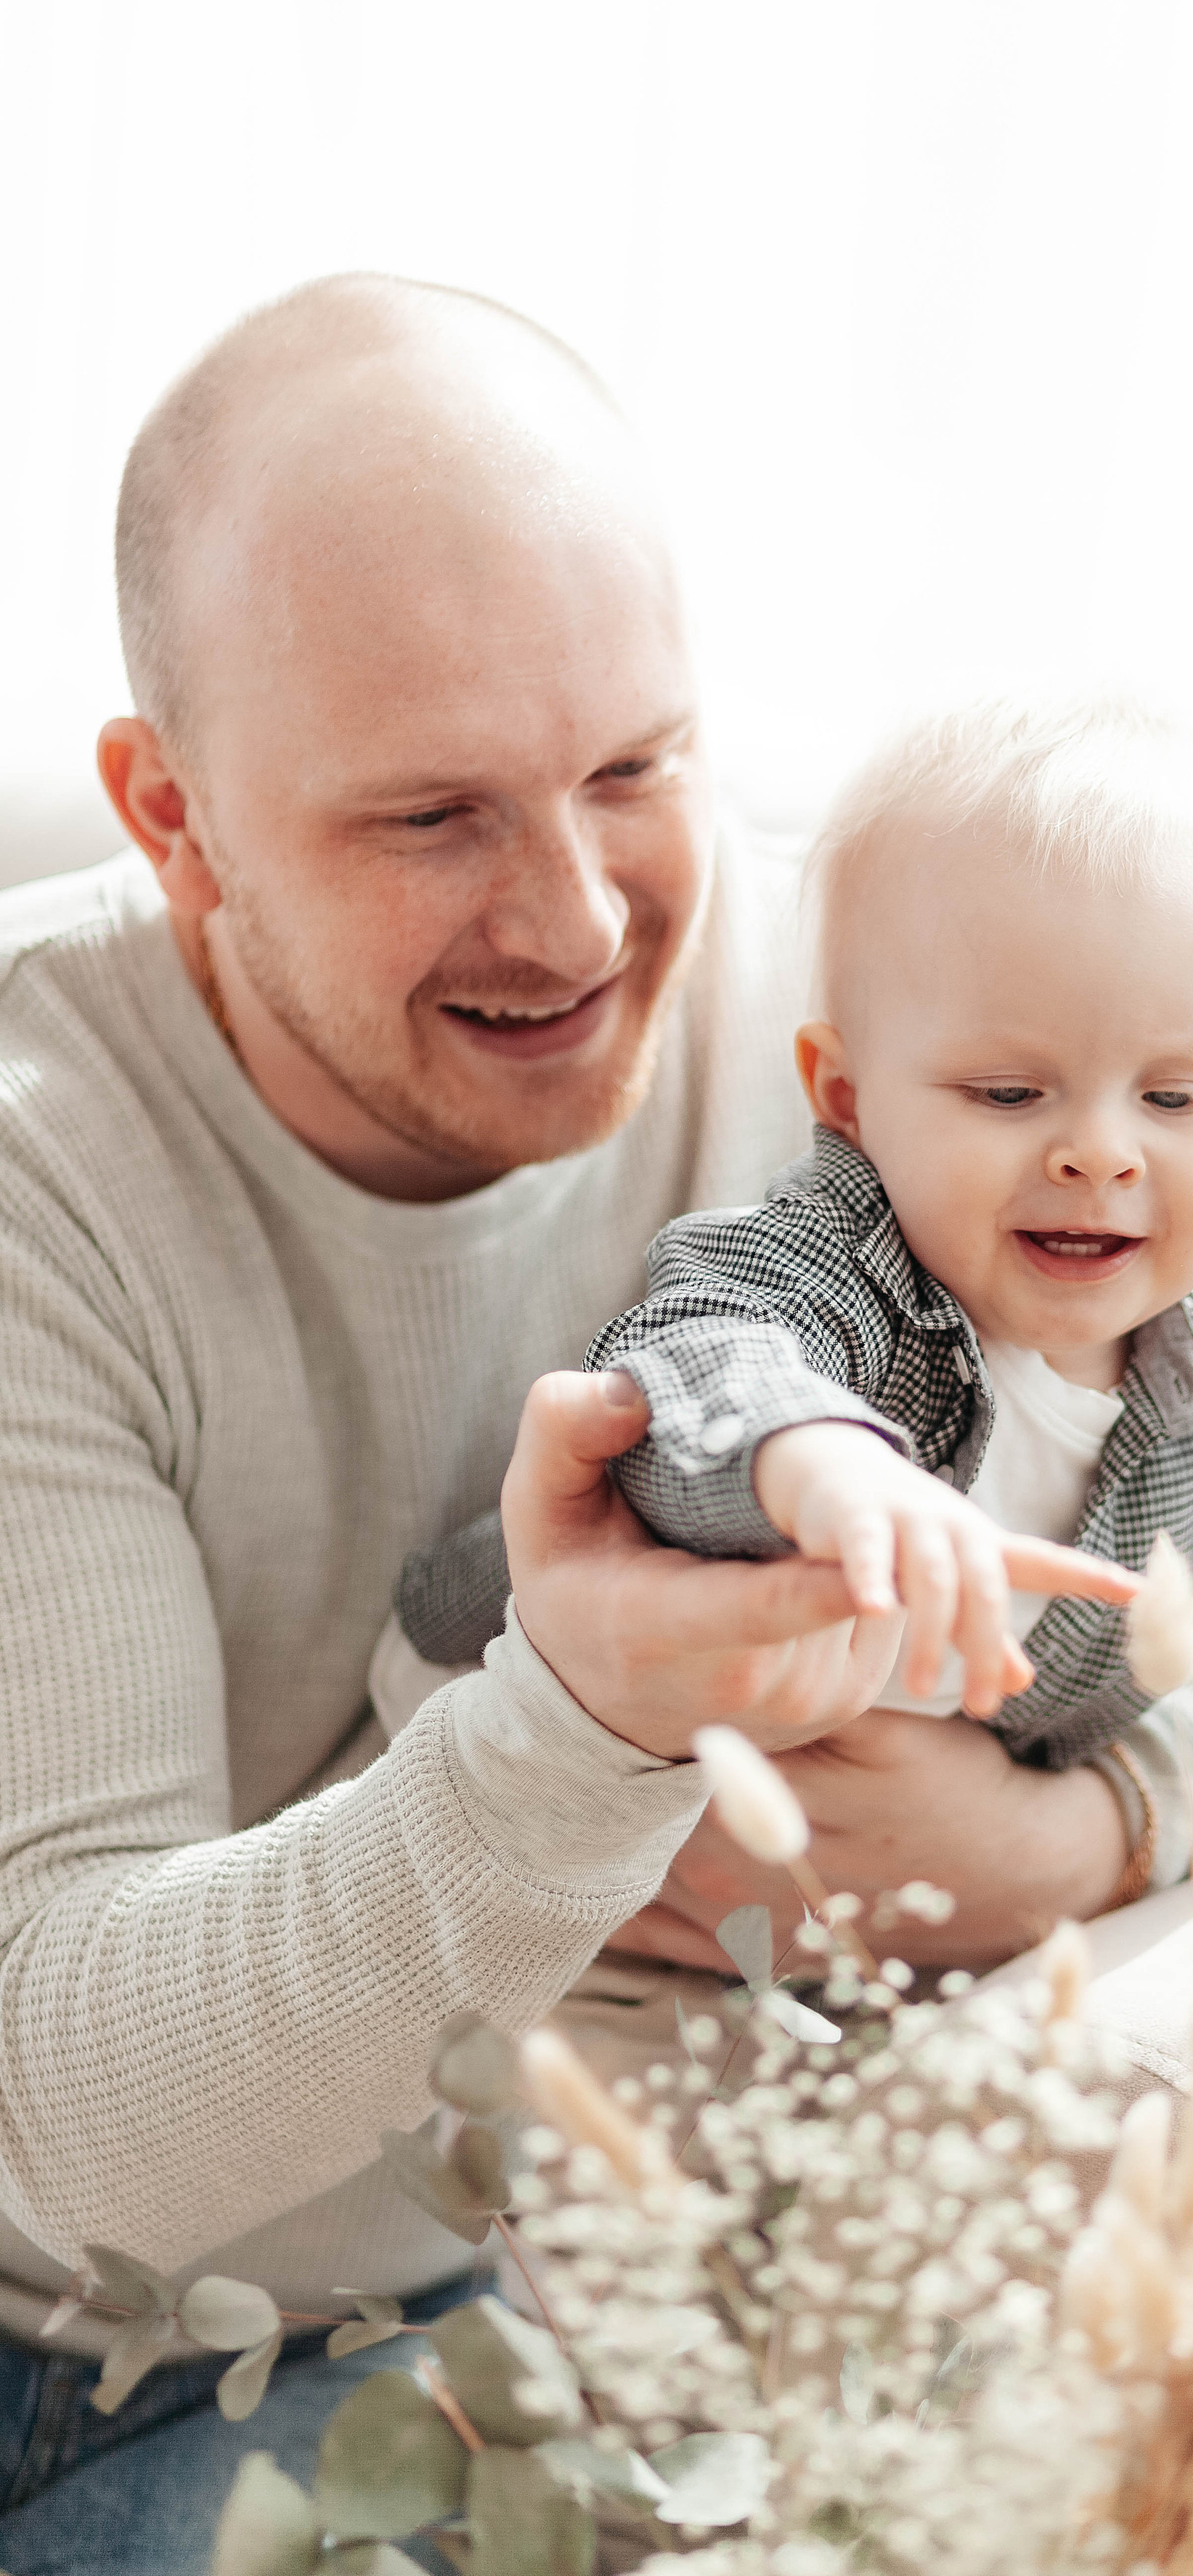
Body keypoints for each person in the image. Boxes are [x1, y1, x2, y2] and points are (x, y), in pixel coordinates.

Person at [0, 274, 1133, 2565]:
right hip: (65, 2327)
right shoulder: (42, 1176)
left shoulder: (868, 1028)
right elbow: (75, 2125)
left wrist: (1064, 1851)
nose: (583, 913)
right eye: (430, 817)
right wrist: (578, 1738)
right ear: (175, 813)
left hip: (508, 2349)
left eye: (636, 767)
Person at [402, 699, 1193, 1842]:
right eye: (1010, 1095)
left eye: (1177, 1097)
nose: (1099, 1153)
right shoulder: (835, 1265)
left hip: (861, 1882)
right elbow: (696, 1357)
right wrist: (823, 1468)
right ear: (848, 1100)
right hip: (501, 1768)